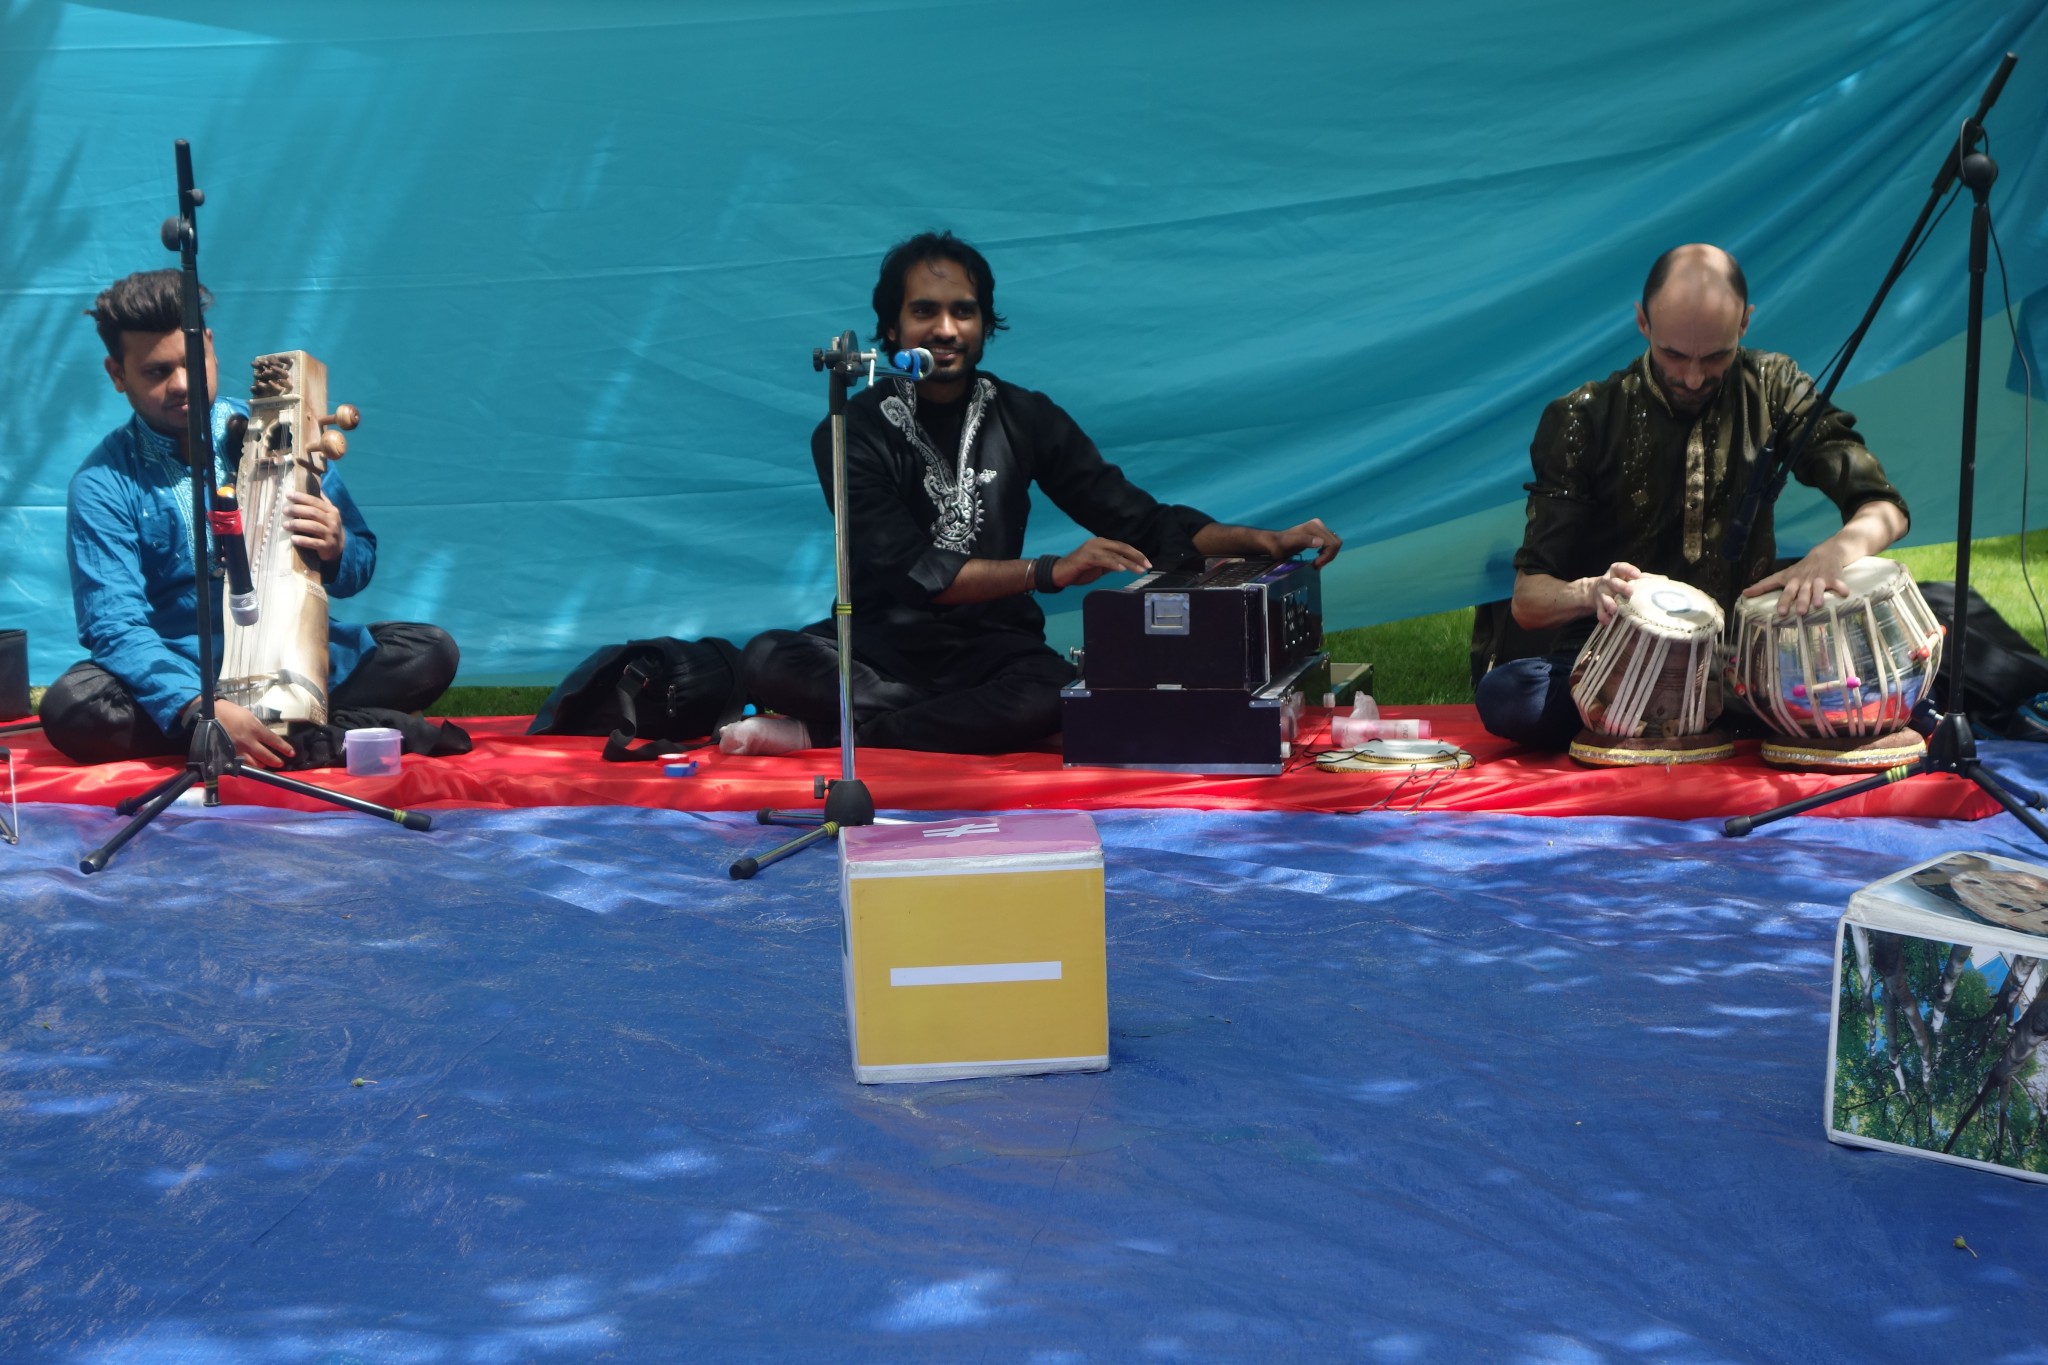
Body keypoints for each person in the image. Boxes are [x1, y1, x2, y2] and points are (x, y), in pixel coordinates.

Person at [731, 231, 1342, 755]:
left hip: (992, 647)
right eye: (924, 312)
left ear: (985, 325)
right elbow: (911, 570)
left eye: (963, 312)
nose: (945, 330)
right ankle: (923, 720)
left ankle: (841, 736)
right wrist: (1047, 571)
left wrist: (1265, 540)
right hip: (880, 647)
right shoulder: (849, 431)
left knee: (1049, 691)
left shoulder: (1025, 416)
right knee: (768, 658)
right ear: (891, 326)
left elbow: (1139, 519)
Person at [1475, 243, 1910, 750]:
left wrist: (1832, 554)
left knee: (1910, 660)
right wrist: (1590, 592)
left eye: (1716, 356)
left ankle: (1692, 718)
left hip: (1740, 664)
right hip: (1615, 665)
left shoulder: (1773, 388)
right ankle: (1693, 717)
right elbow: (1528, 600)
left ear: (1744, 323)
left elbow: (1884, 508)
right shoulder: (1585, 417)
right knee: (1509, 697)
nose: (1693, 377)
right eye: (1674, 354)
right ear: (1643, 323)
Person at [38, 269, 460, 767]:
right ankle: (312, 736)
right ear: (117, 374)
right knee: (74, 706)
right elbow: (113, 625)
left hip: (292, 658)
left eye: (191, 362)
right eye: (156, 372)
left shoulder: (282, 427)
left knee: (429, 651)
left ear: (211, 346)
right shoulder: (103, 482)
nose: (181, 385)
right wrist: (198, 706)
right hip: (183, 664)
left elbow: (359, 563)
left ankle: (254, 737)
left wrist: (337, 546)